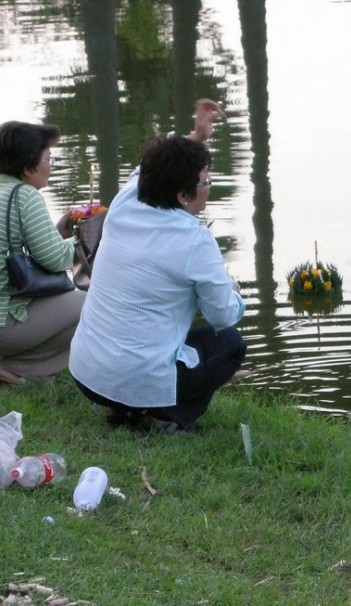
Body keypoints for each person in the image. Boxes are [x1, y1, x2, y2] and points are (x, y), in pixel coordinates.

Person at [69, 99, 246, 434]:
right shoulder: (195, 239)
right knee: (230, 344)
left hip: (87, 376)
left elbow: (152, 166)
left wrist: (198, 135)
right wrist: (232, 292)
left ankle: (128, 409)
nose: (208, 188)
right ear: (183, 195)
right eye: (206, 182)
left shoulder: (126, 200)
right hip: (135, 380)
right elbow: (222, 317)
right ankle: (167, 419)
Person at [0, 121, 86, 385]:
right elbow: (55, 260)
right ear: (28, 167)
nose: (51, 167)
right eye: (48, 159)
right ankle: (19, 369)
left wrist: (57, 233)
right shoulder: (25, 196)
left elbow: (17, 248)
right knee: (93, 304)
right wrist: (88, 238)